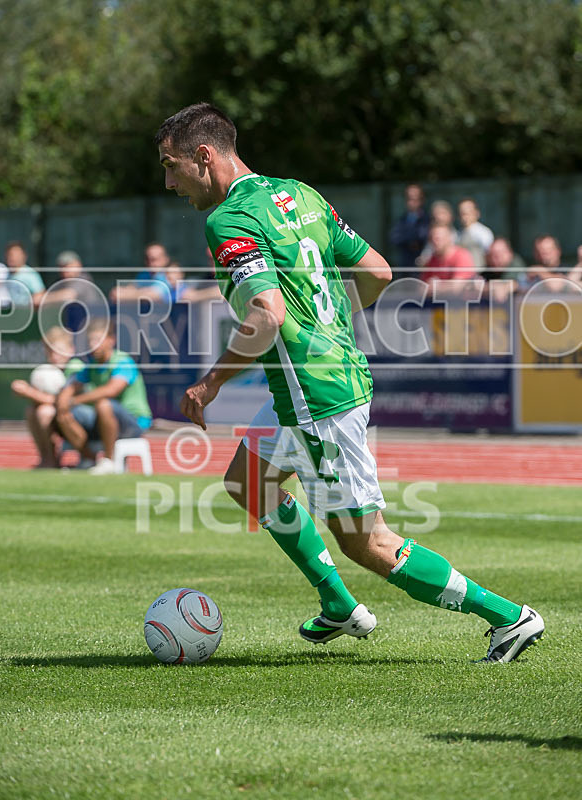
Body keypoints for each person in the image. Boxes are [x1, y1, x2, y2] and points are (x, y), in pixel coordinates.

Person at [155, 101, 544, 663]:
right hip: (321, 382)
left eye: (172, 166)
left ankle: (508, 618)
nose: (169, 182)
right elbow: (379, 271)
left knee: (369, 543)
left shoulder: (228, 220)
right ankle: (339, 605)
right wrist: (331, 324)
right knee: (248, 482)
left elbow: (266, 316)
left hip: (316, 399)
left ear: (205, 156)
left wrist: (209, 384)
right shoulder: (298, 194)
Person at [56, 318, 153, 475]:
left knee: (103, 404)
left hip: (134, 422)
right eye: (91, 340)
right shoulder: (92, 365)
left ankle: (109, 460)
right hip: (103, 419)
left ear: (111, 340)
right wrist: (63, 401)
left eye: (98, 339)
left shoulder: (123, 361)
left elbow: (111, 391)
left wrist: (73, 400)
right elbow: (73, 384)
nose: (93, 345)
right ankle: (91, 458)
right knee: (65, 414)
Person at [10, 326, 86, 468]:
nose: (54, 355)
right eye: (50, 351)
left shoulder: (76, 367)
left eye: (58, 350)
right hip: (63, 419)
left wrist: (29, 392)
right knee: (32, 411)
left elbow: (62, 403)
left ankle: (53, 460)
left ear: (71, 349)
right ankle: (47, 458)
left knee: (45, 411)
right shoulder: (50, 371)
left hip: (80, 420)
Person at [390, 184, 430, 273]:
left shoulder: (427, 219)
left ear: (421, 199)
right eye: (409, 198)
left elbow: (424, 237)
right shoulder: (402, 219)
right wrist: (411, 241)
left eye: (415, 198)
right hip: (404, 265)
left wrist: (408, 239)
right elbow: (394, 238)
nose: (411, 202)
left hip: (422, 267)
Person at [416, 200, 458, 267]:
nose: (439, 217)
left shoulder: (457, 235)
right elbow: (425, 258)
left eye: (442, 213)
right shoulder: (431, 237)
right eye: (436, 214)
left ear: (450, 215)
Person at [4, 241, 45, 307]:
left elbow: (40, 296)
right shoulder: (5, 274)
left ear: (24, 256)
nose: (12, 258)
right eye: (10, 255)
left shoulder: (30, 274)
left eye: (16, 255)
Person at [457, 198, 494, 270]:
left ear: (476, 213)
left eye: (467, 213)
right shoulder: (458, 234)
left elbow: (489, 255)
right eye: (461, 214)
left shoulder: (484, 233)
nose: (464, 217)